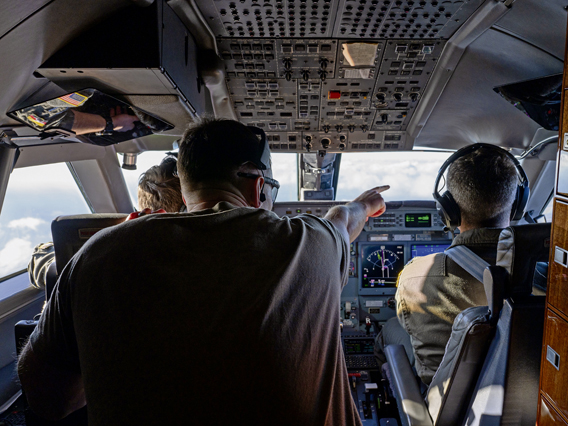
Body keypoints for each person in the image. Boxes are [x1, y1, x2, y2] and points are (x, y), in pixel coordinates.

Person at [18, 117, 389, 426]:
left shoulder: (97, 253)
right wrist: (366, 204)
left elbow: (47, 400)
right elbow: (344, 219)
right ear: (259, 187)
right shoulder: (312, 241)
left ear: (184, 184)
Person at [376, 143, 525, 386]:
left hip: (447, 406)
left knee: (391, 326)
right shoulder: (544, 273)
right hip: (523, 398)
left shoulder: (415, 277)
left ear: (449, 211)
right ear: (518, 203)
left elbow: (408, 324)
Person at [27, 153, 185, 290]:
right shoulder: (188, 249)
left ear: (142, 207)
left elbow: (41, 263)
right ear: (185, 202)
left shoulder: (102, 250)